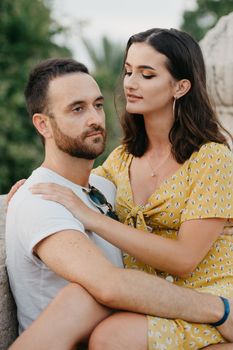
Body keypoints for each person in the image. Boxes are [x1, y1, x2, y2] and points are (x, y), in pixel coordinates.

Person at [25, 28, 233, 350]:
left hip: (211, 297)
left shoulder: (212, 159)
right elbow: (79, 183)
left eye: (147, 75)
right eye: (128, 71)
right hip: (154, 298)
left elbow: (184, 259)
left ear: (180, 86)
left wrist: (94, 220)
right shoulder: (122, 160)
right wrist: (34, 182)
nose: (130, 83)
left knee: (112, 336)